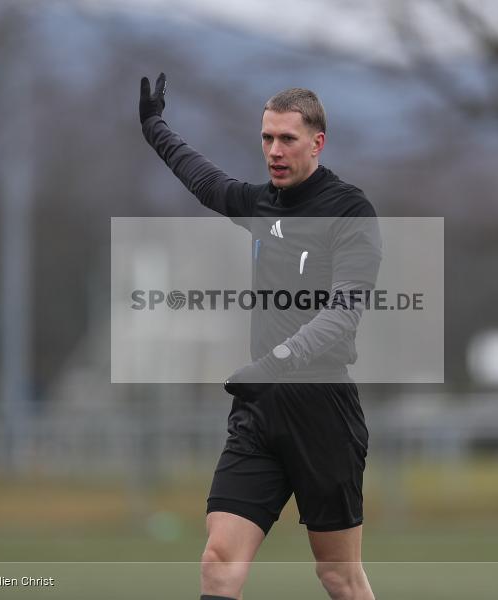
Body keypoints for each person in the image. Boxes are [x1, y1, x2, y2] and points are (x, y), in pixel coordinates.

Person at [139, 72, 380, 600]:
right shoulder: (262, 204)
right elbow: (204, 180)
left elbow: (343, 313)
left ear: (317, 142)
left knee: (338, 576)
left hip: (322, 410)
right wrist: (155, 127)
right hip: (259, 410)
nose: (274, 150)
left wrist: (279, 360)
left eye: (287, 139)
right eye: (267, 138)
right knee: (219, 560)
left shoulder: (349, 211)